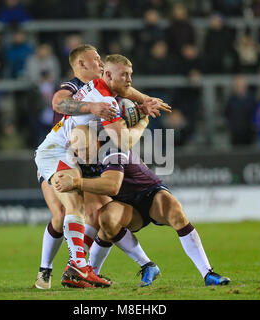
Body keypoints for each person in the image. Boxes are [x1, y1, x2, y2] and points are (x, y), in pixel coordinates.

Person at [34, 45, 171, 289]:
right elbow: (121, 140)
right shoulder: (94, 95)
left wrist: (142, 103)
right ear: (83, 65)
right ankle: (71, 268)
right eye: (95, 58)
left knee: (92, 211)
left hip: (69, 150)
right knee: (71, 208)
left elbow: (123, 89)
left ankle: (78, 268)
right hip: (57, 151)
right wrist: (142, 122)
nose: (99, 61)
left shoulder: (100, 87)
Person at [55, 125, 231, 287]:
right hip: (126, 205)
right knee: (106, 219)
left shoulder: (112, 148)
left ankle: (207, 273)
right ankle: (142, 266)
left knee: (174, 211)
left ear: (96, 140)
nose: (82, 154)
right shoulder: (84, 161)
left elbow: (112, 185)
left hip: (149, 193)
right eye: (77, 150)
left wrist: (76, 182)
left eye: (85, 148)